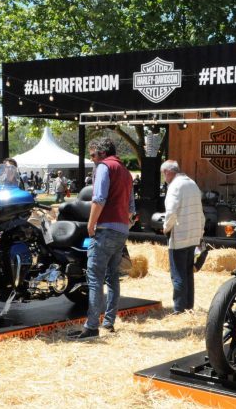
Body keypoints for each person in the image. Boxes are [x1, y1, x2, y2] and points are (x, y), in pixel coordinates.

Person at [68, 137, 134, 340]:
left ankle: (91, 326)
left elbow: (98, 199)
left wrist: (91, 224)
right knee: (112, 277)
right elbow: (131, 208)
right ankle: (109, 321)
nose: (92, 159)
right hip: (121, 230)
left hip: (105, 228)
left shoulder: (104, 167)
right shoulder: (126, 172)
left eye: (93, 155)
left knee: (95, 278)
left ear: (103, 153)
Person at [160, 160, 205, 314]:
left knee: (178, 274)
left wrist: (166, 228)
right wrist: (200, 233)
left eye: (163, 174)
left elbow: (171, 212)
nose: (164, 178)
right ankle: (188, 306)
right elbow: (201, 214)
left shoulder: (175, 186)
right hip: (193, 235)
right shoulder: (192, 184)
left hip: (179, 236)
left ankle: (179, 309)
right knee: (188, 273)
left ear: (167, 172)